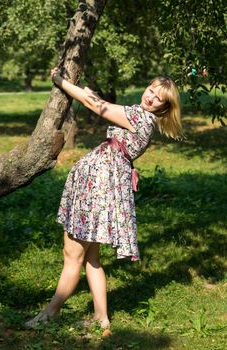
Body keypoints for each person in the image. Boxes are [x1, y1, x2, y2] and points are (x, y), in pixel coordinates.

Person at [25, 68, 183, 331]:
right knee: (91, 258)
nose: (150, 97)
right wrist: (79, 85)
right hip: (102, 185)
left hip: (99, 187)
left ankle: (51, 312)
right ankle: (102, 317)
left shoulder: (139, 117)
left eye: (158, 98)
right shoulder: (142, 117)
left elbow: (94, 104)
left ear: (164, 107)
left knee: (72, 255)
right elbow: (96, 99)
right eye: (151, 90)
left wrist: (60, 81)